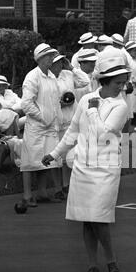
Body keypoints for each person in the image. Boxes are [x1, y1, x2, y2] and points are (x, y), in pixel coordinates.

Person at [42, 56, 129, 272]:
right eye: (117, 82)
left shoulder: (121, 106)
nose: (121, 86)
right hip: (82, 167)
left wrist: (92, 111)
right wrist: (54, 153)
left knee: (99, 217)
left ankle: (111, 260)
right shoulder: (86, 100)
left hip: (106, 169)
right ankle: (92, 264)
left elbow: (104, 134)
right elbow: (73, 132)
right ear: (105, 81)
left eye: (123, 82)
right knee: (87, 219)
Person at [20, 43, 62, 207]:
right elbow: (26, 104)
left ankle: (42, 193)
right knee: (30, 162)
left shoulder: (52, 77)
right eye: (49, 55)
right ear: (40, 58)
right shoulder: (32, 77)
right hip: (36, 127)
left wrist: (55, 119)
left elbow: (54, 101)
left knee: (46, 159)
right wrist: (43, 118)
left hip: (51, 127)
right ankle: (27, 196)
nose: (52, 58)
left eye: (52, 55)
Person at [49, 53, 78, 197]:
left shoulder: (68, 74)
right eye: (58, 62)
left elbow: (84, 81)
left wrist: (72, 67)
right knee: (56, 156)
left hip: (71, 120)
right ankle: (57, 188)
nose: (60, 65)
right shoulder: (48, 78)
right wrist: (60, 104)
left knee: (69, 156)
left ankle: (68, 185)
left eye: (62, 62)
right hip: (56, 122)